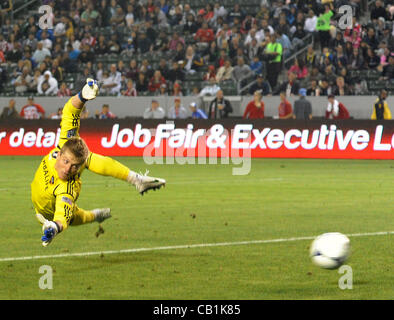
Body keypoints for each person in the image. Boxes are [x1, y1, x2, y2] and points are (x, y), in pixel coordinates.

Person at [31, 79, 166, 247]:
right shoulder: (65, 143)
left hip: (48, 215)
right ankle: (133, 181)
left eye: (74, 166)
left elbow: (61, 217)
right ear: (59, 154)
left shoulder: (67, 189)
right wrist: (82, 96)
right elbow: (70, 111)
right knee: (87, 158)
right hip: (43, 200)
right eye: (66, 161)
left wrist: (54, 228)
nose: (68, 169)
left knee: (77, 217)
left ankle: (98, 212)